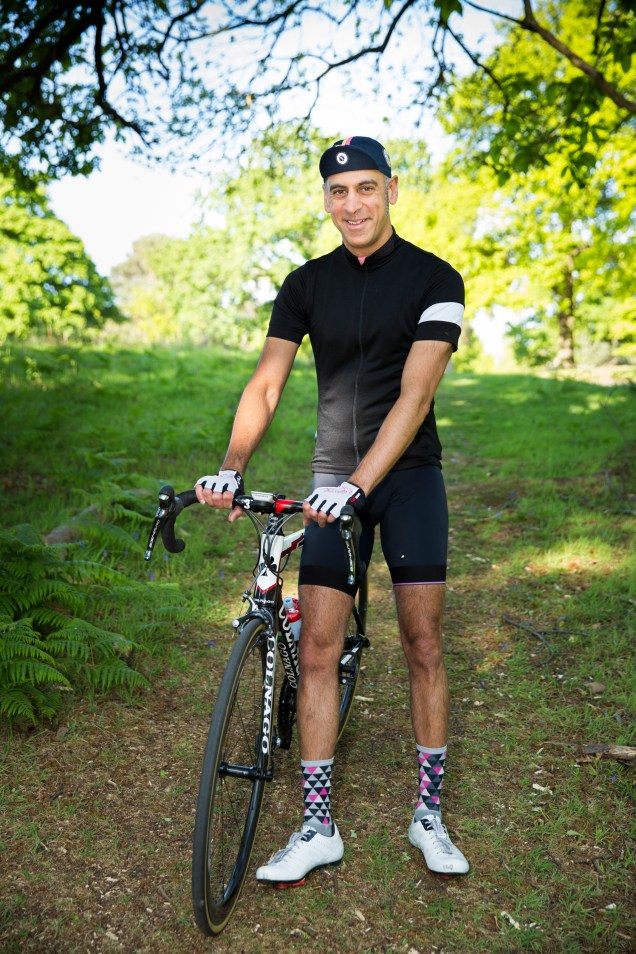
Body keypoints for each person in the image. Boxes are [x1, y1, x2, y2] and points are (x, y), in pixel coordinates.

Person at [195, 136, 469, 882]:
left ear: (392, 190)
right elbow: (266, 384)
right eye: (339, 191)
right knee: (315, 648)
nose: (352, 203)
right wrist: (231, 465)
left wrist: (359, 483)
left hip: (408, 479)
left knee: (422, 642)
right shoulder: (304, 283)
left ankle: (429, 816)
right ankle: (318, 828)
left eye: (367, 188)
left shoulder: (436, 278)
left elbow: (414, 400)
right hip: (327, 482)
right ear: (326, 199)